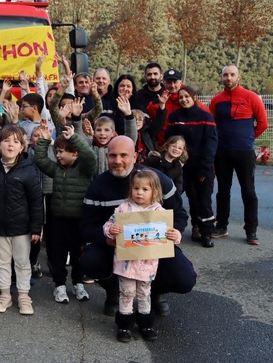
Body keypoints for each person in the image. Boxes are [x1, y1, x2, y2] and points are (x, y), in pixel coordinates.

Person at [79, 136, 196, 318]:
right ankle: (114, 292)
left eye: (124, 155)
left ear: (135, 156)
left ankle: (155, 292)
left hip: (154, 249)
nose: (118, 161)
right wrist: (108, 239)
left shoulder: (159, 180)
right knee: (90, 261)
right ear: (107, 156)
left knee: (184, 279)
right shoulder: (98, 186)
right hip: (115, 247)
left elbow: (179, 214)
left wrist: (176, 232)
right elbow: (86, 226)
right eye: (113, 156)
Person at [103, 169, 182, 342]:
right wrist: (111, 230)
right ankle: (124, 325)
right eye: (136, 188)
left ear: (155, 191)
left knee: (144, 292)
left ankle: (146, 323)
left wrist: (175, 236)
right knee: (127, 292)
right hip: (126, 263)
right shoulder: (124, 209)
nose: (139, 192)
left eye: (145, 189)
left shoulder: (159, 211)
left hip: (148, 263)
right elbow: (108, 225)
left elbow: (169, 233)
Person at [0, 125, 43, 315]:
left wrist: (36, 228)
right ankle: (4, 294)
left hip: (22, 227)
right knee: (1, 262)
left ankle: (24, 295)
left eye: (16, 141)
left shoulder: (28, 170)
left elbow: (36, 201)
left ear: (22, 147)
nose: (11, 145)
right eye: (6, 140)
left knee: (22, 262)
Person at [34, 124, 96, 304]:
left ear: (75, 153)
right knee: (58, 254)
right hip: (59, 220)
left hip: (79, 221)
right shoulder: (57, 170)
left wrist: (75, 138)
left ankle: (78, 283)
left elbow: (91, 157)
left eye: (61, 152)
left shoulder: (85, 170)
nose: (58, 155)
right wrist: (44, 141)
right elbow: (41, 161)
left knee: (79, 255)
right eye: (57, 151)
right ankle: (59, 285)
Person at [209, 65, 268, 245]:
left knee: (249, 191)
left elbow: (263, 123)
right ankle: (221, 226)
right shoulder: (217, 100)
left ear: (238, 76)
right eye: (225, 75)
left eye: (232, 75)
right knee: (223, 191)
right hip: (222, 152)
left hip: (245, 153)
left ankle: (251, 231)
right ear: (221, 77)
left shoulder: (251, 97)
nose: (228, 78)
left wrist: (248, 139)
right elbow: (212, 126)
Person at [165, 86, 218, 248]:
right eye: (180, 97)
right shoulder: (174, 117)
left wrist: (204, 168)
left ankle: (206, 233)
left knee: (203, 201)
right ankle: (173, 230)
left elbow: (211, 144)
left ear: (194, 97)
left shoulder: (206, 117)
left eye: (187, 96)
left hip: (202, 168)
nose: (183, 99)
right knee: (174, 198)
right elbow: (170, 141)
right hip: (180, 168)